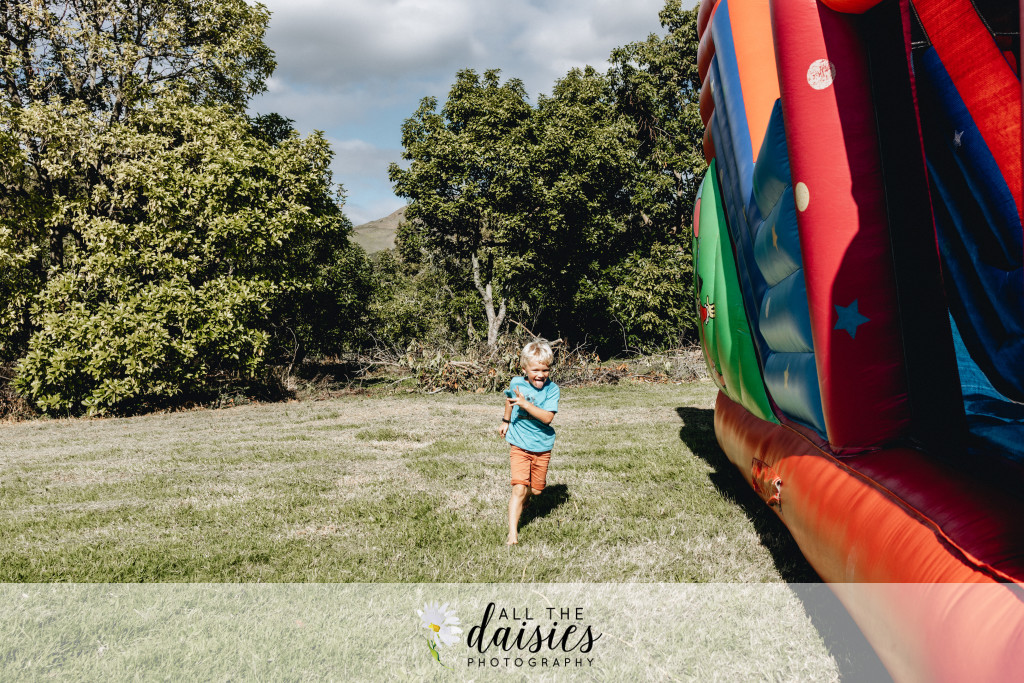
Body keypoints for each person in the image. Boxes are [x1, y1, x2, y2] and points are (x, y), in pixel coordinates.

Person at [498, 339, 560, 545]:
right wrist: (506, 421)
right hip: (519, 442)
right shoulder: (516, 383)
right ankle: (512, 534)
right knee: (519, 488)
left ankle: (528, 496)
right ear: (524, 369)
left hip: (542, 445)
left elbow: (547, 418)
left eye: (545, 370)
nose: (541, 374)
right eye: (535, 370)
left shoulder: (552, 389)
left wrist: (525, 404)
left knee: (536, 490)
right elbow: (510, 400)